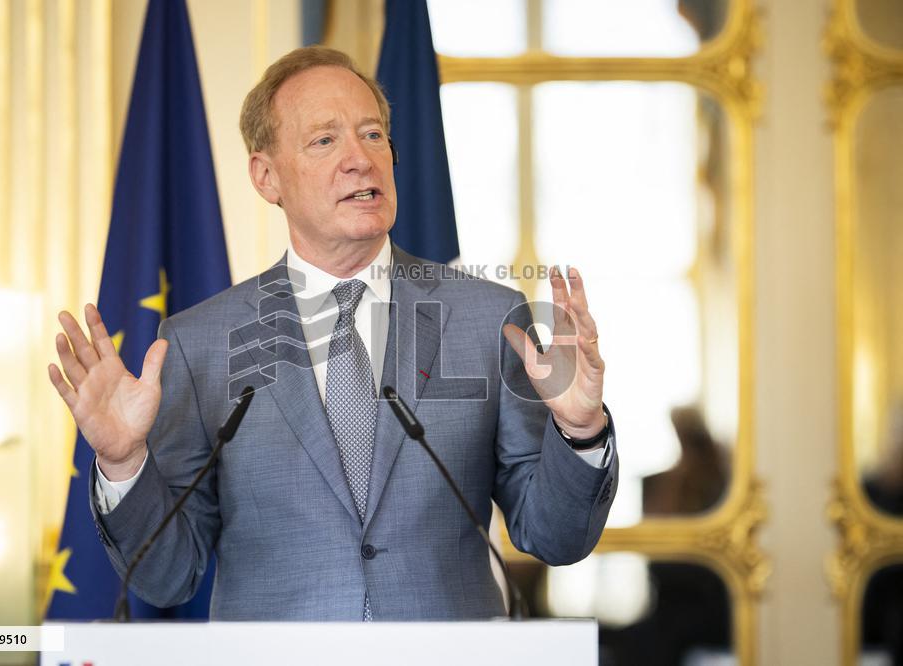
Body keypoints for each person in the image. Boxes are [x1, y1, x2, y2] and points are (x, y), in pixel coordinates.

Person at [47, 46, 618, 620]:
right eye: (325, 140)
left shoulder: (487, 319)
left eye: (372, 136)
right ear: (266, 176)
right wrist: (123, 463)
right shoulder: (201, 343)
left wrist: (580, 429)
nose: (360, 160)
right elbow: (167, 576)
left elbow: (554, 538)